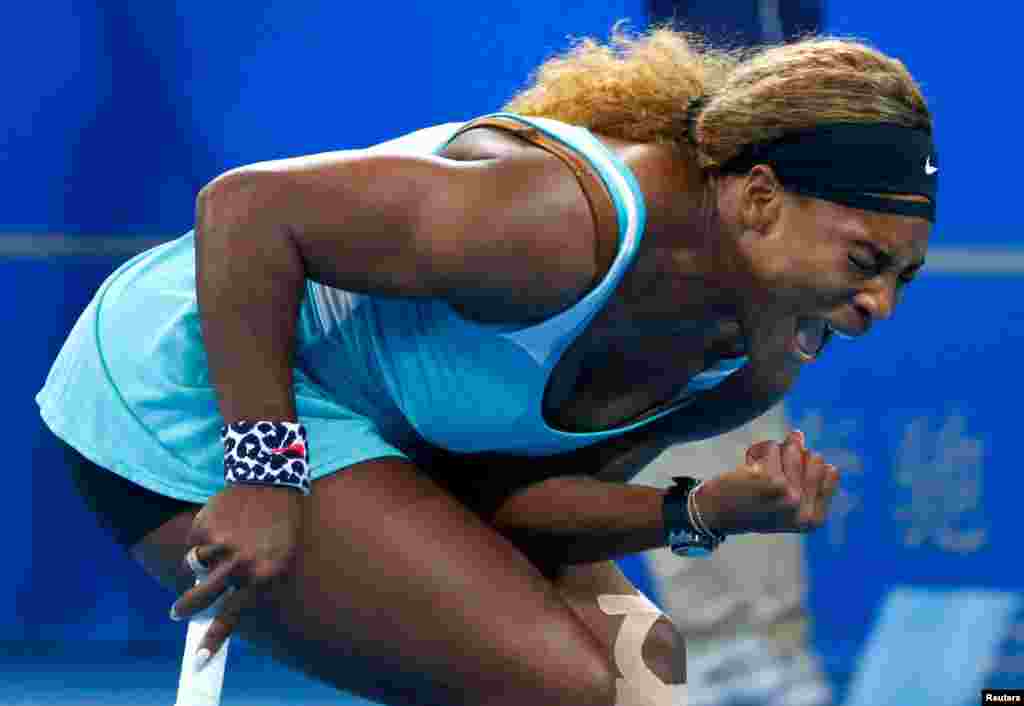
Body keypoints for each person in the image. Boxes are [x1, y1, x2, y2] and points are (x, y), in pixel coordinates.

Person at [36, 26, 935, 706]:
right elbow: (247, 212)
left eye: (902, 278)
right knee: (558, 685)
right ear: (762, 198)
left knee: (639, 682)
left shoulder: (757, 363)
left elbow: (515, 509)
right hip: (197, 370)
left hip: (374, 429)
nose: (877, 308)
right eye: (864, 262)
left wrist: (697, 511)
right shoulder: (567, 224)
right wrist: (264, 467)